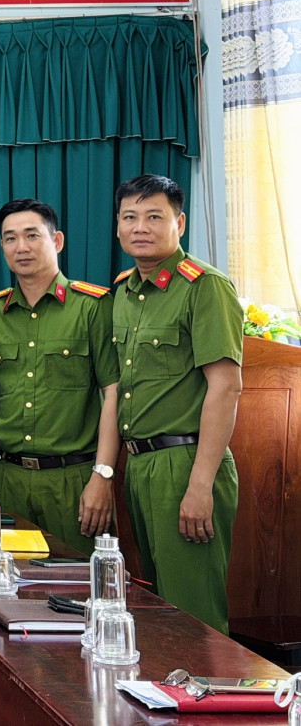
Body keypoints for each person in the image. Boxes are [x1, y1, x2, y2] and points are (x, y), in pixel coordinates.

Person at [112, 174, 242, 632]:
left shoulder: (205, 286)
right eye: (129, 217)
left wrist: (200, 485)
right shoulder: (125, 292)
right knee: (162, 613)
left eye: (154, 216)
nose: (140, 227)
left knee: (194, 616)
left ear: (179, 223)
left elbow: (226, 387)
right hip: (140, 466)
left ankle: (207, 681)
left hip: (185, 463)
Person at [0, 199, 118, 557]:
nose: (20, 247)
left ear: (57, 241)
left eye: (31, 235)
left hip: (73, 481)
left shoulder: (93, 306)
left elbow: (114, 393)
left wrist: (103, 475)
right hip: (5, 480)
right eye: (10, 238)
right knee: (3, 582)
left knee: (78, 580)